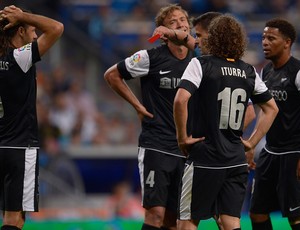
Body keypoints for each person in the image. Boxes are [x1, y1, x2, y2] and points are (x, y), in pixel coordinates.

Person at [172, 14, 278, 230]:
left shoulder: (200, 64)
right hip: (236, 160)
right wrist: (251, 142)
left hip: (205, 156)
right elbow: (271, 108)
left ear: (213, 38)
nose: (198, 40)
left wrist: (182, 138)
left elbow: (180, 99)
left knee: (187, 222)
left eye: (201, 36)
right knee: (230, 222)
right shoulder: (248, 71)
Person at [104, 4, 194, 230]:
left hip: (186, 148)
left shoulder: (199, 61)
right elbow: (112, 75)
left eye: (183, 20)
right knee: (155, 215)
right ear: (163, 32)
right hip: (156, 145)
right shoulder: (149, 57)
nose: (181, 24)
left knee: (173, 221)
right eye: (173, 22)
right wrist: (137, 105)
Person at [0, 5, 63, 230]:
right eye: (32, 30)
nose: (36, 35)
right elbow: (57, 28)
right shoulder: (20, 57)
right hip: (20, 148)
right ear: (19, 32)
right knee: (14, 219)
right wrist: (22, 16)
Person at [249, 18, 300, 230]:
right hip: (270, 153)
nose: (265, 42)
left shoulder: (297, 71)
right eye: (263, 37)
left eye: (271, 38)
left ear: (287, 42)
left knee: (295, 218)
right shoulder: (265, 72)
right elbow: (264, 112)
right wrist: (252, 144)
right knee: (257, 213)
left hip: (294, 153)